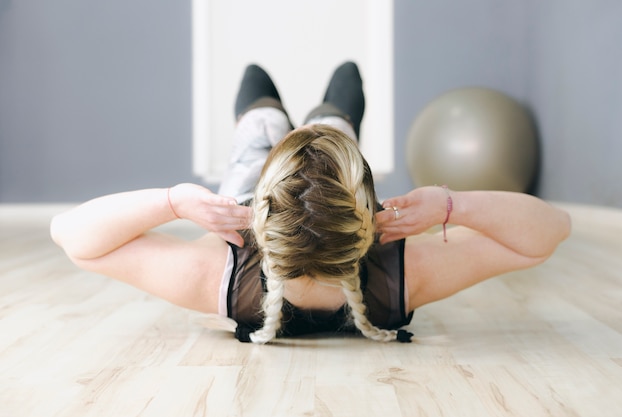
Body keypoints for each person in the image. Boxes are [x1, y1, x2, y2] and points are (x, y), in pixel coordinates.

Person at [50, 62, 571, 344]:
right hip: (294, 191)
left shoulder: (221, 274)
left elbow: (69, 235)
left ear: (259, 218)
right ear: (367, 211)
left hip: (257, 183)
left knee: (257, 92)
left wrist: (175, 200)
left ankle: (277, 132)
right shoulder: (402, 271)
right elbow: (553, 229)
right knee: (342, 90)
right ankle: (330, 127)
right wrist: (450, 205)